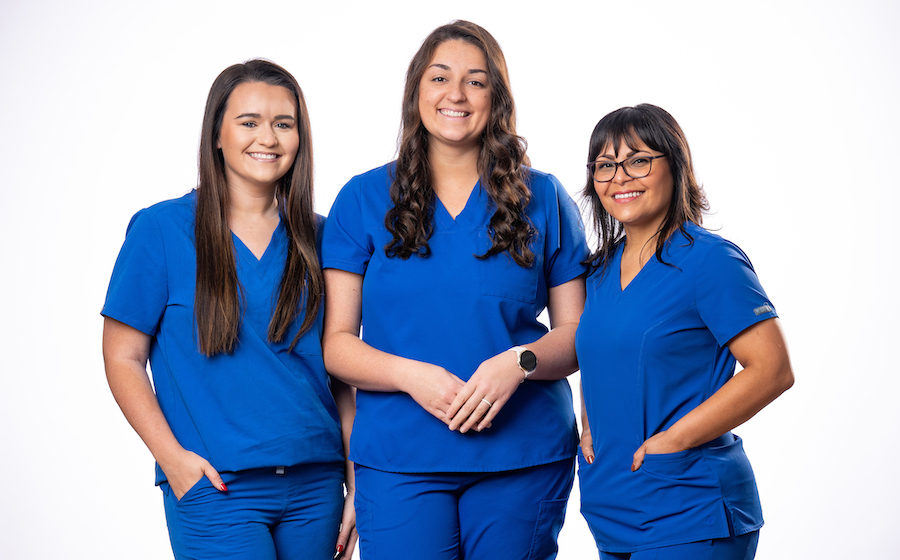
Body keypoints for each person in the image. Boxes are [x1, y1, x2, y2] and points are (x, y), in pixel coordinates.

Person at [321, 20, 588, 560]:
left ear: (498, 97)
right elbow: (337, 345)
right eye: (440, 77)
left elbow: (579, 335)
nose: (456, 95)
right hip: (399, 458)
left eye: (476, 81)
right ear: (416, 90)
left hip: (522, 454)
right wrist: (409, 376)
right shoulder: (364, 198)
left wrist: (519, 361)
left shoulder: (545, 198)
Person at [101, 59, 356, 560]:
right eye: (249, 121)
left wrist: (355, 479)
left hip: (316, 487)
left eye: (284, 124)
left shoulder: (324, 237)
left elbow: (342, 373)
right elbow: (122, 357)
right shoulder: (161, 231)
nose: (269, 137)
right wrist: (171, 459)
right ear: (216, 133)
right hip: (217, 487)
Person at [575, 104, 794, 559]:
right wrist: (589, 420)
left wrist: (672, 441)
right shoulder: (597, 272)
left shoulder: (710, 261)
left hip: (690, 505)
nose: (620, 177)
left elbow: (772, 370)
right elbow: (600, 352)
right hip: (613, 506)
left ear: (674, 165)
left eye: (638, 160)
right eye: (605, 165)